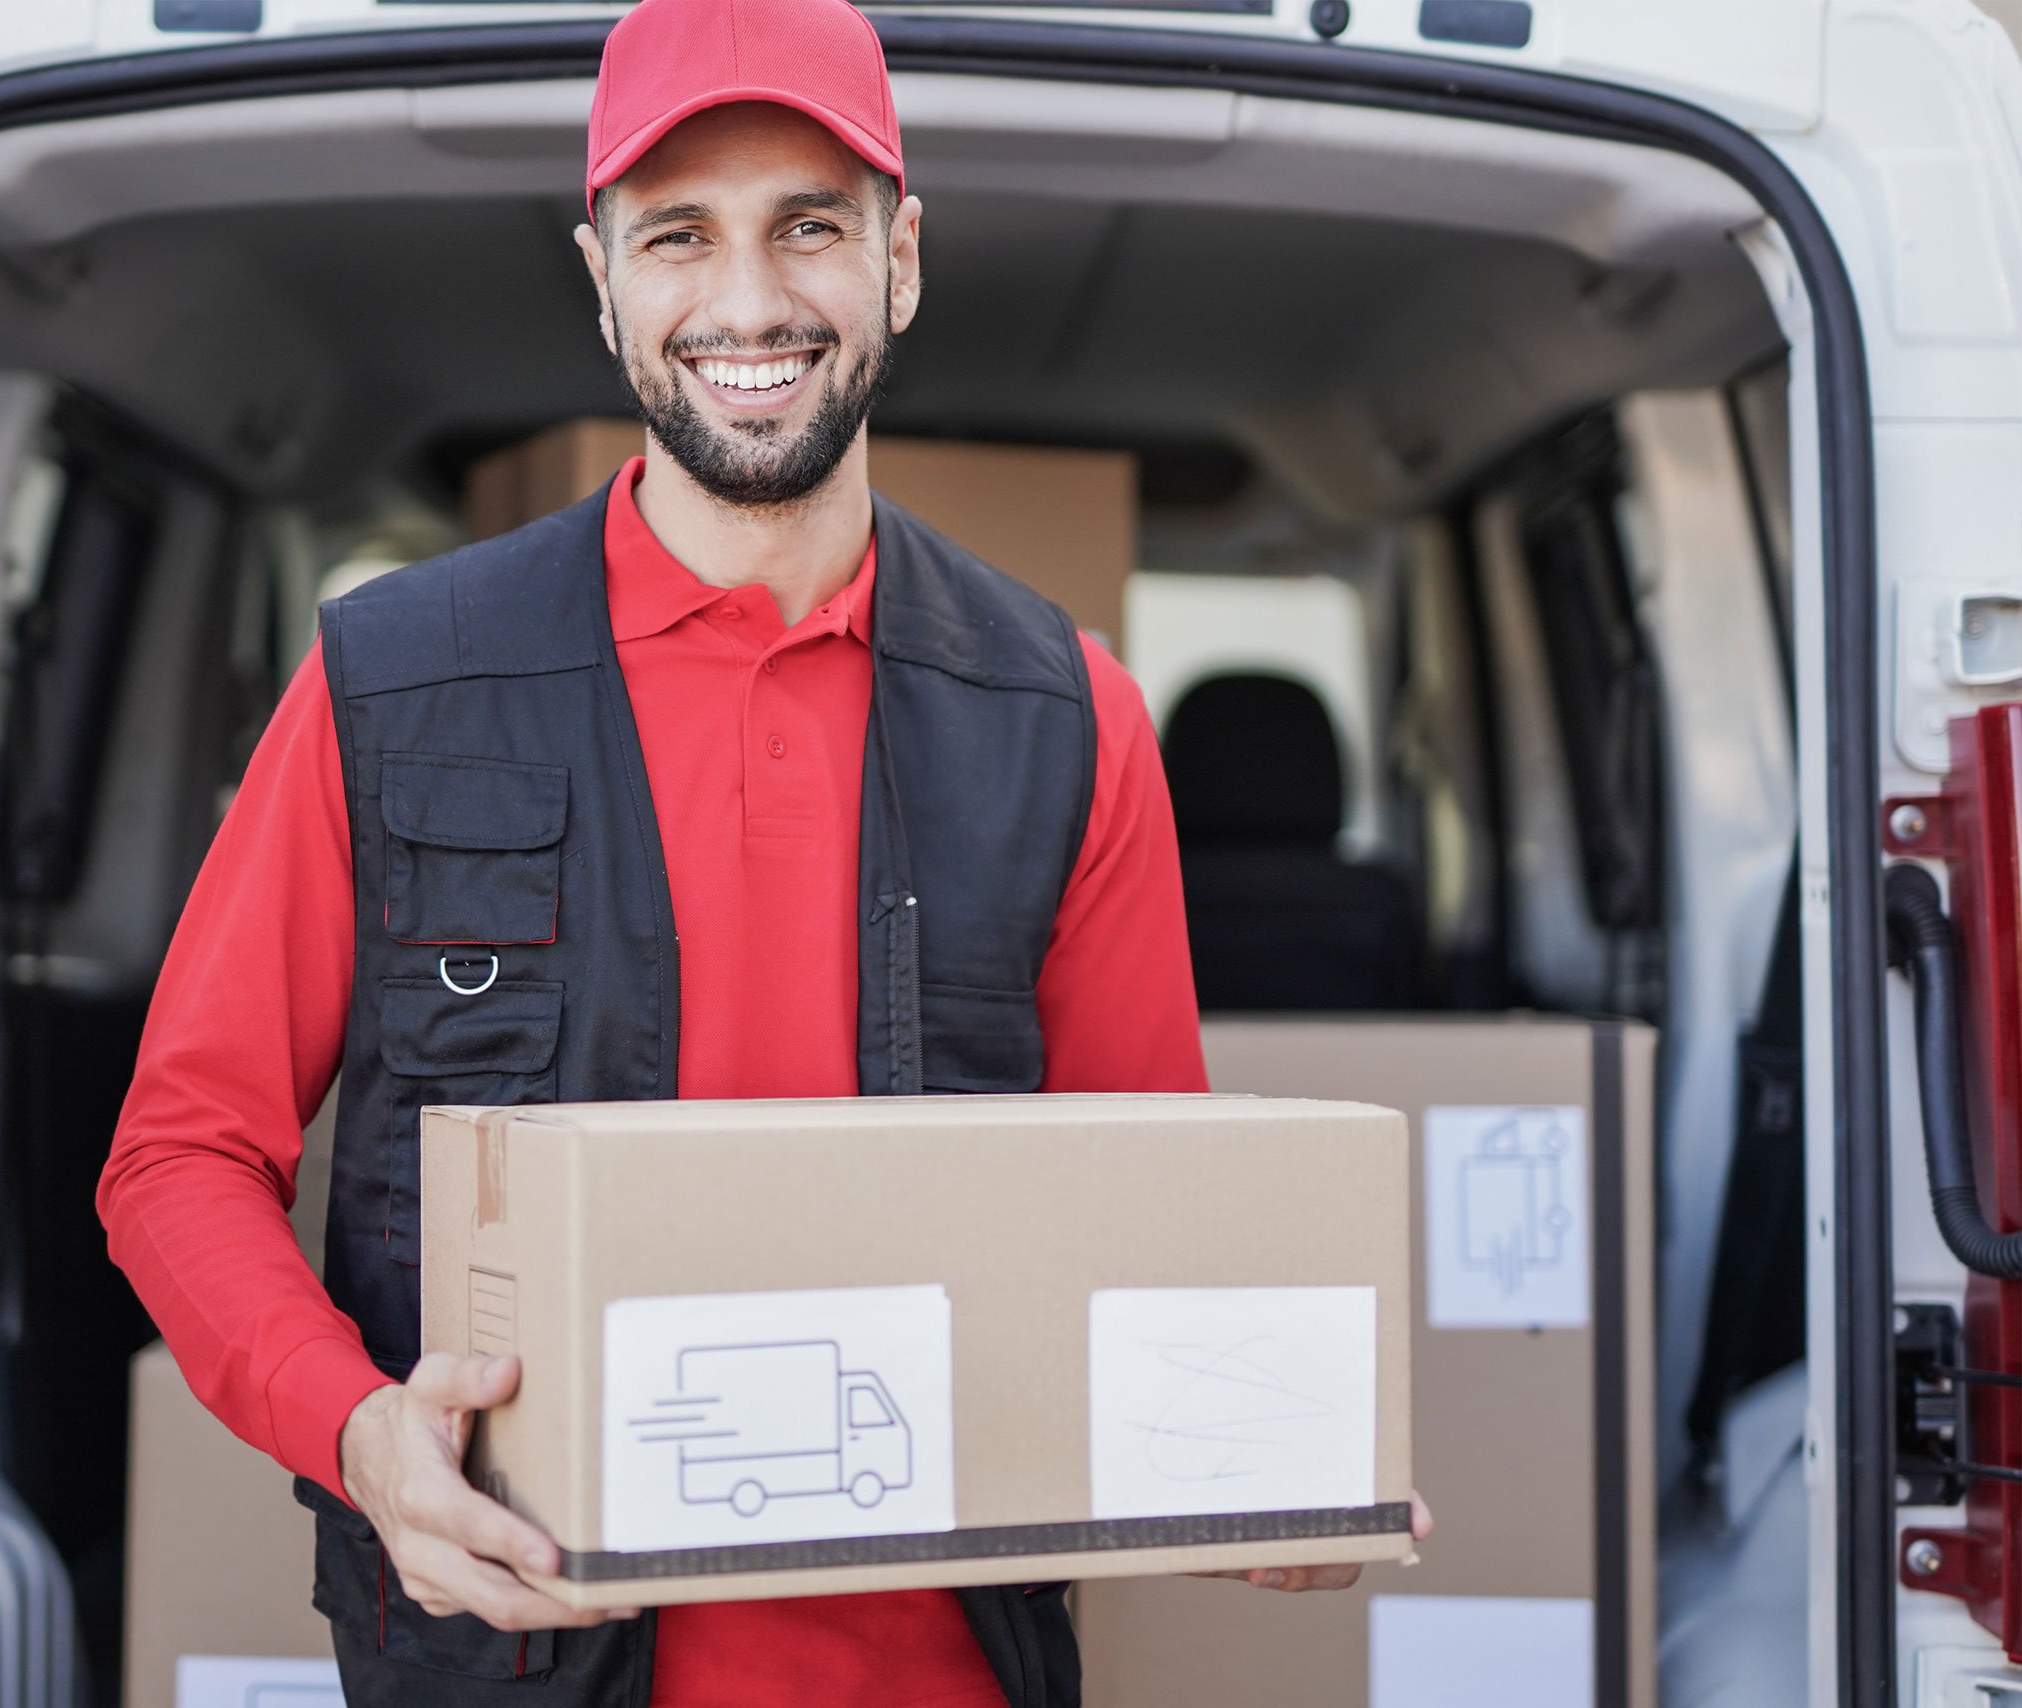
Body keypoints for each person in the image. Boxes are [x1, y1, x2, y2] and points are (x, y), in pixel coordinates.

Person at [98, 0, 1426, 1699]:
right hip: (506, 1658)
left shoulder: (1067, 715)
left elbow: (1143, 1226)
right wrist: (356, 1433)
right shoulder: (391, 683)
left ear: (904, 260)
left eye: (811, 225)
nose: (746, 303)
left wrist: (1240, 1456)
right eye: (678, 236)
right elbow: (177, 1158)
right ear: (600, 277)